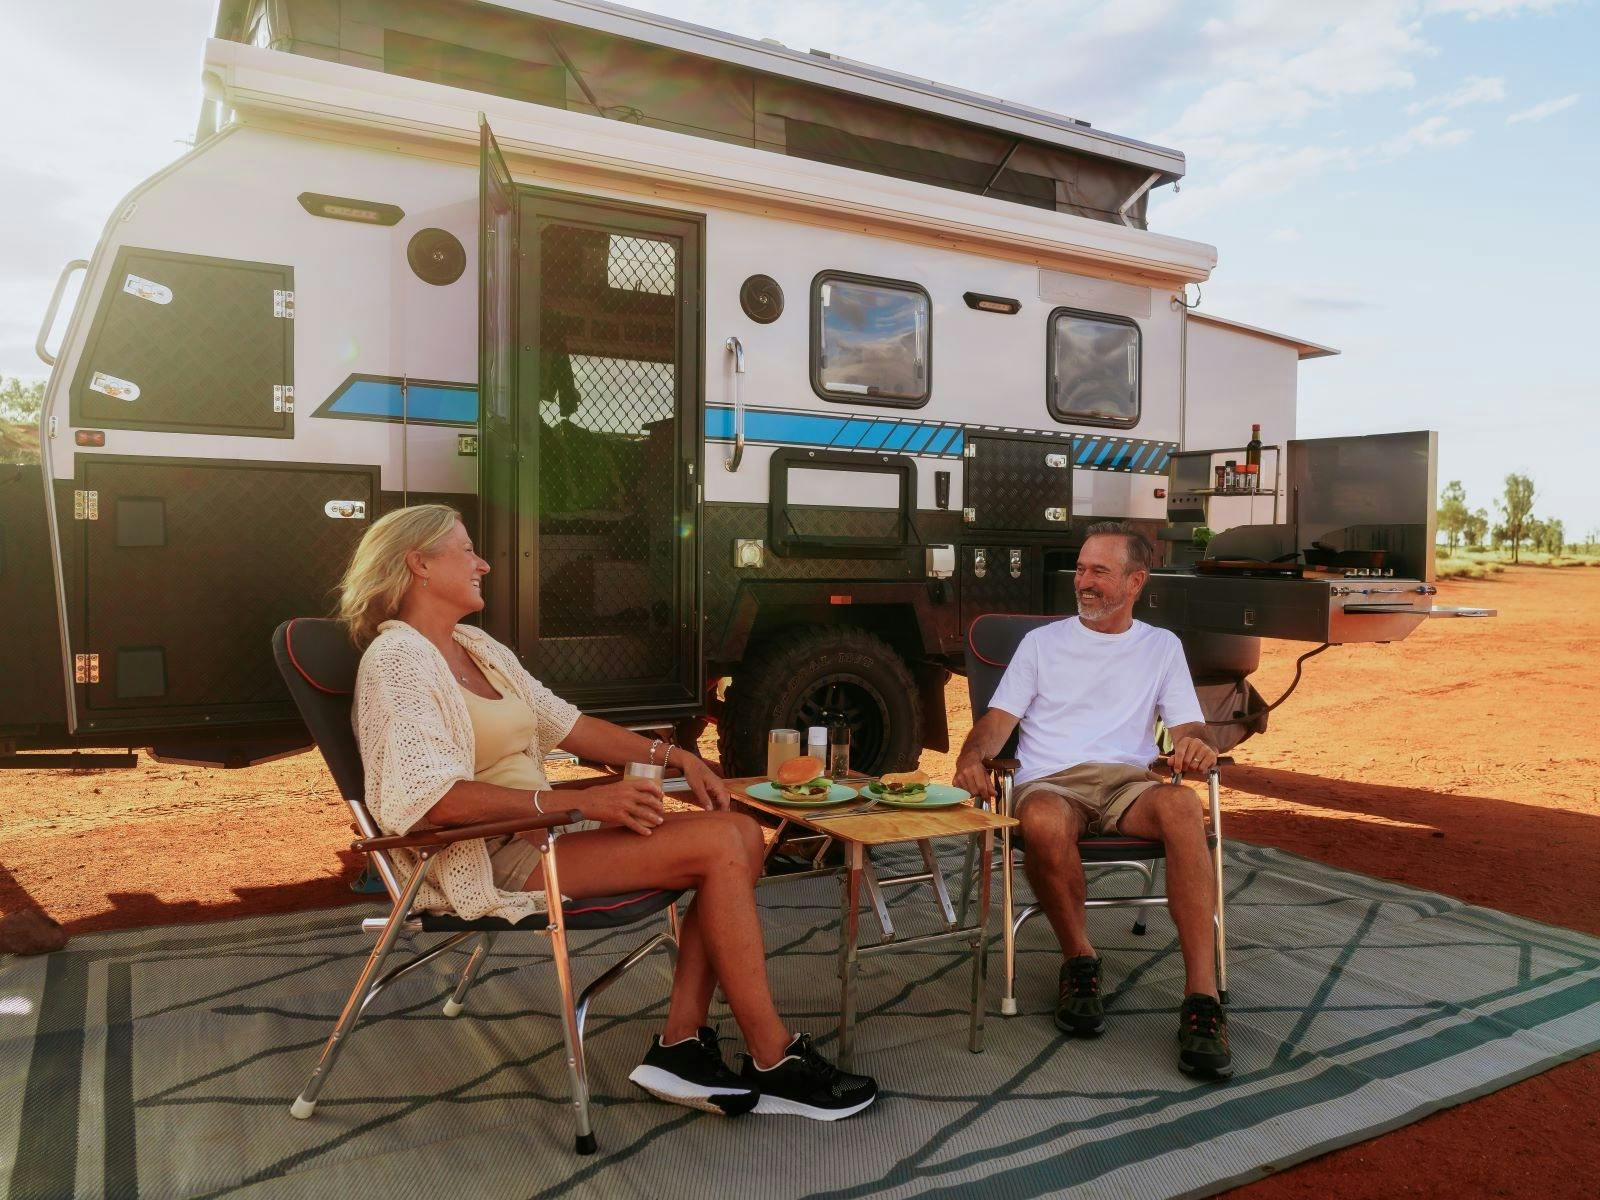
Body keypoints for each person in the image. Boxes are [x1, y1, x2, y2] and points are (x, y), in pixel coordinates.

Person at [339, 504, 876, 1119]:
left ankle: (682, 1047)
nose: (483, 562)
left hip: (546, 830)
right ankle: (771, 1058)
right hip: (488, 853)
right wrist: (576, 801)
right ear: (420, 564)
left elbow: (569, 725)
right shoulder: (397, 663)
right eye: (467, 550)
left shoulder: (473, 646)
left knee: (740, 834)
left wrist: (673, 756)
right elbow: (430, 801)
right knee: (724, 845)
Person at [953, 521, 1231, 1078]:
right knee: (1041, 820)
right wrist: (969, 758)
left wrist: (1199, 749)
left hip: (1127, 783)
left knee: (1181, 805)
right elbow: (997, 722)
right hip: (1051, 781)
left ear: (1136, 582)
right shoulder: (1042, 644)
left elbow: (1191, 727)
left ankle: (1203, 997)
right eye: (1080, 569)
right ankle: (1080, 959)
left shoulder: (1160, 647)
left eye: (1099, 572)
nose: (1083, 581)